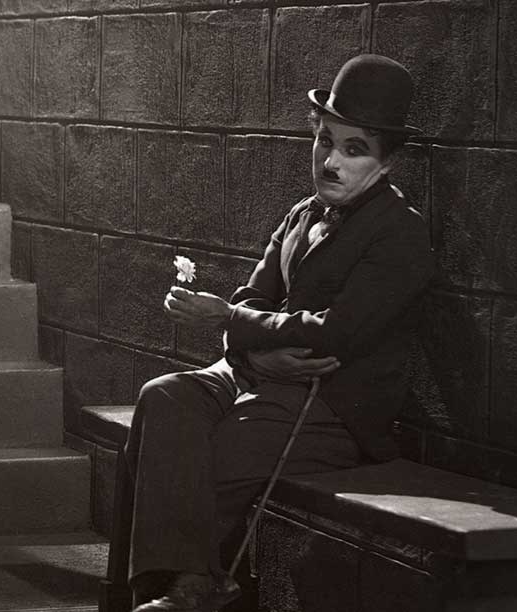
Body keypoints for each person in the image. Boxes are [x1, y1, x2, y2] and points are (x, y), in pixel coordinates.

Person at [106, 54, 436, 612]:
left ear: (388, 161)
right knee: (163, 398)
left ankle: (186, 592)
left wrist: (230, 323)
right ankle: (169, 591)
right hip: (254, 378)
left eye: (354, 150)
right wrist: (255, 355)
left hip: (329, 410)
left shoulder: (400, 233)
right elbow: (250, 299)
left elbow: (335, 334)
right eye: (325, 140)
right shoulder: (303, 213)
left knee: (209, 456)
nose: (330, 160)